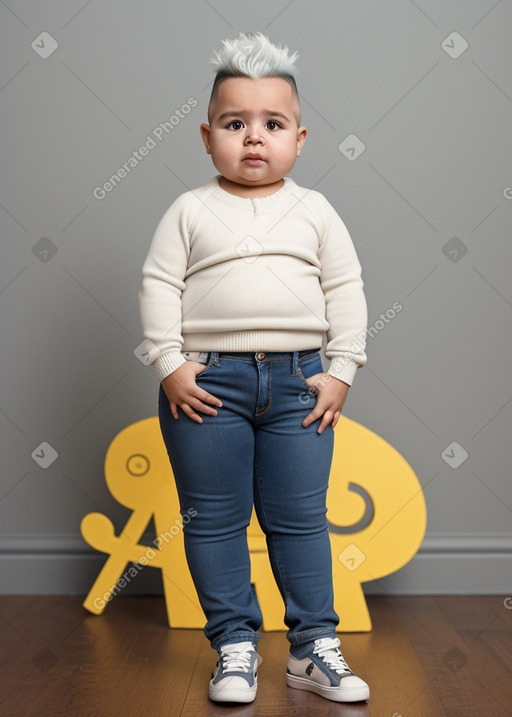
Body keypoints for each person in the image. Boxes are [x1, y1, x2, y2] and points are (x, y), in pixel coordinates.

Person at [138, 31, 370, 705]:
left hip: (301, 382)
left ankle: (312, 648)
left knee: (300, 518)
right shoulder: (189, 211)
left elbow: (346, 287)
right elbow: (158, 284)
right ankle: (234, 645)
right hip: (206, 385)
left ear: (301, 138)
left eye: (272, 124)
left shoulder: (315, 211)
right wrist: (170, 363)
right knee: (212, 517)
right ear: (208, 136)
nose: (253, 138)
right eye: (235, 124)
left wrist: (343, 367)